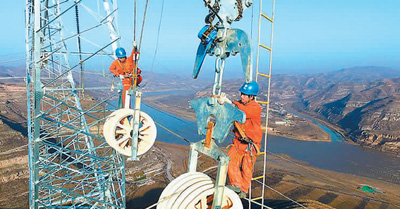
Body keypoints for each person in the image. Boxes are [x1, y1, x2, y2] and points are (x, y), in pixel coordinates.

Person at [226, 81, 263, 198]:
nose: (242, 96)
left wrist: (230, 104)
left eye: (245, 94)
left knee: (247, 168)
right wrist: (227, 102)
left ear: (251, 97)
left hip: (250, 145)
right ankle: (235, 184)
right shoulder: (240, 104)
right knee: (230, 161)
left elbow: (242, 112)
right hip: (238, 142)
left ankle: (243, 190)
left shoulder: (255, 108)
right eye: (241, 94)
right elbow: (237, 105)